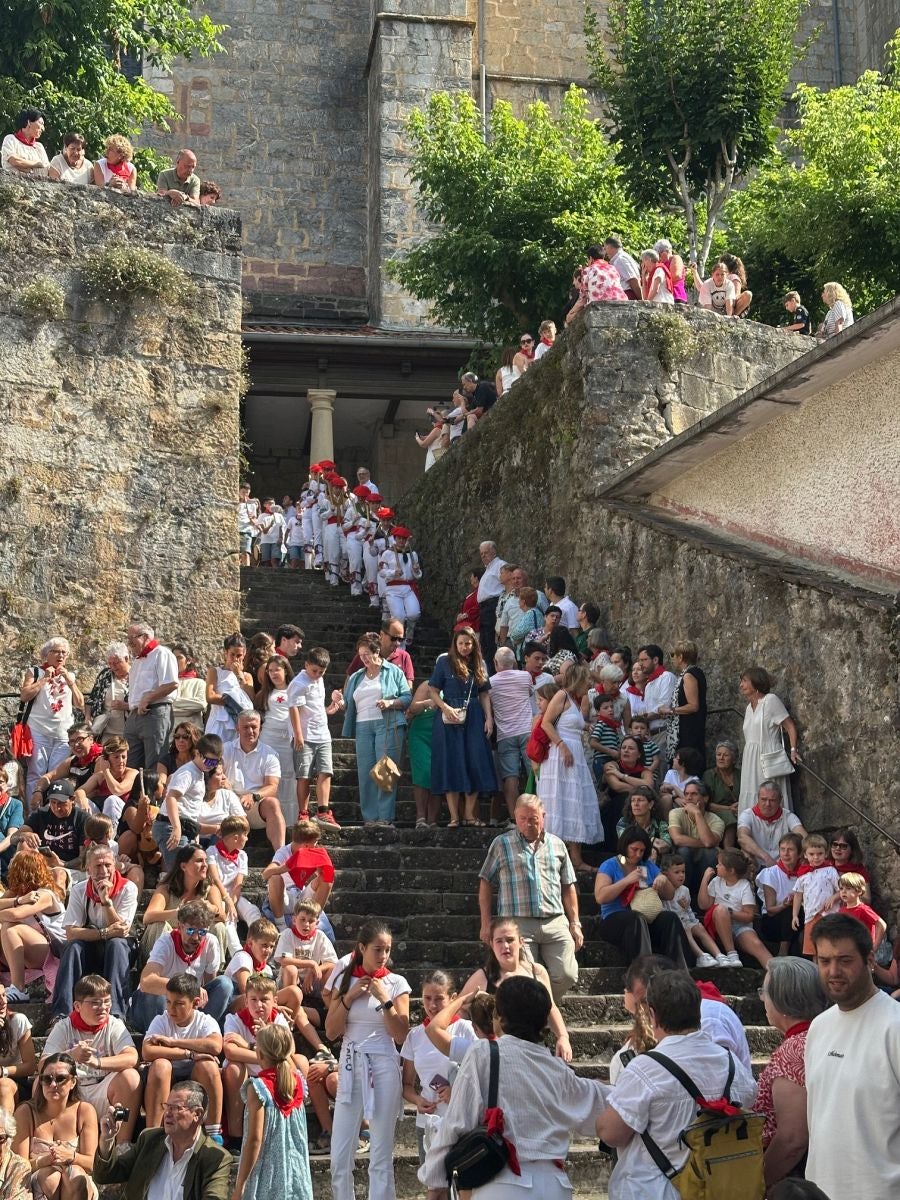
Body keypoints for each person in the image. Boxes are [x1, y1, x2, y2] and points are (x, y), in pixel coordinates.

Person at [422, 977, 609, 1200]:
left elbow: (457, 1122)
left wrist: (435, 1180)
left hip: (501, 1182)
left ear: (499, 1018)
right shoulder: (558, 1069)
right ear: (543, 1022)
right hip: (553, 1185)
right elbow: (604, 1104)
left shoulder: (483, 1053)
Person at [597, 971, 757, 1200]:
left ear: (653, 1015)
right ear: (698, 1011)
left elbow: (611, 1134)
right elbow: (750, 1097)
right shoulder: (732, 1064)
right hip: (716, 1189)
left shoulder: (645, 1068)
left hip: (655, 1190)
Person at [805, 914, 900, 1199]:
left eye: (845, 960)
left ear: (869, 960)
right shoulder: (818, 1027)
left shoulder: (894, 1026)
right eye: (824, 961)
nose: (833, 971)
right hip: (821, 1191)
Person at [324, 921, 411, 1200]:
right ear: (362, 948)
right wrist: (349, 997)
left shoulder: (397, 983)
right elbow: (331, 1031)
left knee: (381, 1155)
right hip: (350, 1065)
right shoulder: (344, 980)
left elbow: (400, 1035)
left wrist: (385, 999)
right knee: (339, 1157)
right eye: (377, 949)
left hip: (383, 1065)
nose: (383, 955)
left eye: (387, 950)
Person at [478, 796, 582, 1003]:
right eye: (522, 818)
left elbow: (568, 886)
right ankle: (540, 1014)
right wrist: (485, 922)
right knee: (525, 977)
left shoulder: (557, 844)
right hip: (517, 923)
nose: (528, 823)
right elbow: (485, 882)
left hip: (555, 920)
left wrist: (575, 923)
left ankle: (541, 1009)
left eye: (533, 818)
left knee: (568, 974)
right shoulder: (501, 844)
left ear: (543, 817)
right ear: (515, 818)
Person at [608, 956, 751, 1083]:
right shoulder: (658, 1025)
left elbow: (714, 1078)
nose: (643, 1008)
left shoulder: (707, 1018)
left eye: (644, 1001)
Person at [41, 975, 141, 1146]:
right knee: (40, 1083)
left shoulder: (114, 1024)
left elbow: (132, 1057)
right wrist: (71, 1056)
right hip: (73, 1091)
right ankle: (54, 1140)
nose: (103, 1008)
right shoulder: (64, 1026)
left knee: (131, 1077)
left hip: (104, 1088)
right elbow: (42, 1064)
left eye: (107, 1002)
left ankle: (122, 1145)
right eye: (95, 1002)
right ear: (77, 1006)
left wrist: (97, 1062)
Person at [755, 956, 828, 1190]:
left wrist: (757, 1184)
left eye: (764, 991)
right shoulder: (826, 1036)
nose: (763, 999)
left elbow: (792, 1139)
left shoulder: (794, 1050)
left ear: (783, 999)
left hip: (794, 1180)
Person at [93, 1079, 231, 1200]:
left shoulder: (215, 1158)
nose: (167, 1114)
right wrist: (107, 1138)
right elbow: (105, 1175)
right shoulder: (149, 1139)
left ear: (197, 1114)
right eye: (167, 1106)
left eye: (176, 1108)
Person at [460, 918, 572, 1060]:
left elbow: (551, 1008)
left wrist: (563, 1037)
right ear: (491, 944)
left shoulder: (536, 971)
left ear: (521, 942)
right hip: (497, 1053)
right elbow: (459, 1009)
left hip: (533, 1048)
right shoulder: (482, 977)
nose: (505, 946)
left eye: (510, 940)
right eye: (499, 941)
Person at [49, 846, 138, 1022]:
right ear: (87, 869)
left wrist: (106, 903)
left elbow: (121, 931)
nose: (103, 871)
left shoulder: (128, 888)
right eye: (98, 866)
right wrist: (104, 933)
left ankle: (117, 1013)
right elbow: (71, 933)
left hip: (121, 950)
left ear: (115, 866)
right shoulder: (79, 890)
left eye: (108, 865)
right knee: (73, 947)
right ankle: (62, 1014)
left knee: (117, 944)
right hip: (92, 948)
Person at [231, 1022, 313, 1200]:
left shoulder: (258, 1088)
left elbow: (254, 1139)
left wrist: (240, 1184)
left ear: (259, 1054)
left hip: (267, 1179)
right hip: (296, 1177)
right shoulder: (297, 1081)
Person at [142, 973, 224, 1141]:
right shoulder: (161, 1020)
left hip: (194, 1078)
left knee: (208, 1066)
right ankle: (153, 1136)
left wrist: (173, 1042)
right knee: (160, 1066)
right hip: (167, 1079)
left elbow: (215, 1046)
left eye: (179, 1004)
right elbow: (147, 1051)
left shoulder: (205, 1021)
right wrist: (190, 1054)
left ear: (195, 1003)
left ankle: (214, 1135)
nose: (171, 1009)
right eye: (168, 1002)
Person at [131, 900, 234, 1033]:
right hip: (154, 1007)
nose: (196, 937)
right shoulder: (166, 942)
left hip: (186, 1007)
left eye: (202, 932)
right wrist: (190, 989)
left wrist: (196, 993)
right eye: (190, 930)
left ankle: (202, 1033)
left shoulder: (210, 943)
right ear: (179, 927)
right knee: (156, 994)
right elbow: (146, 982)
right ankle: (158, 1039)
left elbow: (209, 985)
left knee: (225, 984)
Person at [428, 629, 497, 827]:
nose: (464, 647)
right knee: (450, 764)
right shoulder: (444, 662)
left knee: (475, 761)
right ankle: (453, 816)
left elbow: (484, 694)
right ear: (455, 644)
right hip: (449, 717)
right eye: (460, 643)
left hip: (474, 716)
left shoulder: (479, 664)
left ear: (473, 645)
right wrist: (445, 706)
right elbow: (433, 691)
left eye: (468, 643)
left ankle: (469, 815)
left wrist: (489, 719)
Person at [342, 633, 411, 827]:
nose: (363, 658)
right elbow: (348, 704)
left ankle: (384, 817)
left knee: (385, 771)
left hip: (387, 723)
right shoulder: (356, 677)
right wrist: (339, 702)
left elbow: (407, 698)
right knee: (365, 773)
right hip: (362, 726)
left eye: (367, 654)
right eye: (360, 655)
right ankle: (370, 818)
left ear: (377, 651)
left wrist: (390, 702)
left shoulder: (393, 671)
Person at [595, 826, 688, 968]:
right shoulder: (610, 865)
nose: (638, 854)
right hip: (615, 921)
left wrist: (663, 880)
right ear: (625, 847)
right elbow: (601, 897)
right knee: (636, 919)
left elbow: (669, 895)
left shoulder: (646, 865)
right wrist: (626, 881)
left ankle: (679, 972)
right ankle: (645, 973)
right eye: (634, 849)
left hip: (645, 919)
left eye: (642, 851)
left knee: (670, 918)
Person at [538, 662, 599, 872]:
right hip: (561, 754)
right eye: (586, 681)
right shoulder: (562, 696)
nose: (589, 685)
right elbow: (546, 723)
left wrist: (587, 725)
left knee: (575, 803)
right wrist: (562, 746)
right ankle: (555, 855)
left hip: (574, 754)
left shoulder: (574, 700)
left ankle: (575, 858)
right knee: (561, 801)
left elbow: (572, 723)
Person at [12, 1051, 98, 1200]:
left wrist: (70, 1156)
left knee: (75, 1175)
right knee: (50, 1178)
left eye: (60, 1079)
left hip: (78, 1187)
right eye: (46, 1079)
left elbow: (91, 1164)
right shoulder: (25, 1112)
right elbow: (17, 1165)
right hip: (39, 1183)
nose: (53, 1084)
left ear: (73, 1082)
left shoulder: (84, 1111)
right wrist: (44, 1161)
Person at [20, 637, 85, 799]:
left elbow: (80, 704)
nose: (61, 655)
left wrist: (71, 683)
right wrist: (44, 680)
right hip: (38, 731)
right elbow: (24, 695)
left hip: (63, 734)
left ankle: (52, 812)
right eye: (56, 651)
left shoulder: (70, 675)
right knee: (36, 774)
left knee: (57, 776)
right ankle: (34, 817)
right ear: (46, 654)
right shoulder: (35, 671)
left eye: (64, 652)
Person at [140, 844, 228, 962]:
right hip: (169, 946)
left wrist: (212, 909)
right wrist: (178, 913)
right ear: (183, 866)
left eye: (205, 861)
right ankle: (155, 966)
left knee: (219, 927)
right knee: (158, 925)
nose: (205, 865)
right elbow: (148, 917)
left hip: (196, 944)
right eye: (199, 861)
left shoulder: (210, 889)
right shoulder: (166, 889)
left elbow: (223, 917)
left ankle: (213, 969)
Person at [0, 851, 67, 1002]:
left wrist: (15, 904)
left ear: (22, 870)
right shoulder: (17, 894)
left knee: (11, 928)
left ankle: (19, 989)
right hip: (29, 952)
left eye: (13, 864)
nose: (9, 866)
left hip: (53, 953)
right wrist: (17, 900)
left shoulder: (45, 894)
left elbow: (16, 915)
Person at [737, 666, 801, 813]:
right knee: (752, 792)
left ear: (756, 682)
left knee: (770, 794)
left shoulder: (770, 700)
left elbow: (789, 726)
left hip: (767, 755)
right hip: (751, 758)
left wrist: (793, 750)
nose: (741, 685)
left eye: (745, 681)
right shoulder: (748, 708)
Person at [222, 712, 285, 852]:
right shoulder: (225, 749)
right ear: (237, 728)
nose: (250, 731)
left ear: (260, 728)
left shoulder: (270, 754)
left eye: (254, 727)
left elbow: (273, 786)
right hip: (230, 802)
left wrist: (254, 796)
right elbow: (215, 773)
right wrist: (222, 780)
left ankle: (280, 855)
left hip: (256, 805)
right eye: (245, 727)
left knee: (273, 803)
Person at [698, 849, 772, 969]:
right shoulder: (716, 881)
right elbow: (703, 905)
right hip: (718, 925)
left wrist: (730, 912)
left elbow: (749, 916)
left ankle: (777, 973)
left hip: (740, 926)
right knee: (721, 909)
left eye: (720, 864)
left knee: (757, 944)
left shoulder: (744, 885)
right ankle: (732, 954)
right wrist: (705, 879)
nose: (716, 866)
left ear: (731, 870)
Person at [124, 624, 178, 770]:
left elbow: (172, 683)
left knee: (154, 762)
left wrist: (147, 698)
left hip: (155, 712)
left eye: (132, 638)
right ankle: (134, 792)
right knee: (130, 764)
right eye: (128, 639)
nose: (129, 643)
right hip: (135, 714)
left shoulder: (162, 654)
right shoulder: (138, 661)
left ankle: (154, 792)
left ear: (146, 637)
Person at [490, 648, 535, 820]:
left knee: (510, 777)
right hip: (526, 731)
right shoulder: (525, 676)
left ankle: (516, 818)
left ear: (495, 663)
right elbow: (529, 693)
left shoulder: (491, 682)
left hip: (505, 734)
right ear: (515, 662)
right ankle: (538, 814)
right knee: (535, 773)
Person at [659, 855, 721, 968]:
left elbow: (689, 913)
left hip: (687, 920)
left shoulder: (685, 890)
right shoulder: (663, 891)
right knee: (687, 930)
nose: (681, 875)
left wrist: (688, 911)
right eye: (676, 872)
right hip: (678, 924)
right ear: (665, 875)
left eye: (683, 871)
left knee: (700, 928)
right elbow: (665, 912)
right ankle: (700, 955)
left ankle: (719, 955)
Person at [667, 780, 725, 894]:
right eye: (686, 794)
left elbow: (709, 843)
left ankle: (705, 897)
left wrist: (697, 814)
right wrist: (706, 842)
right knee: (684, 851)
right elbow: (677, 839)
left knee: (710, 853)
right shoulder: (676, 813)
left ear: (705, 798)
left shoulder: (716, 820)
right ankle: (682, 894)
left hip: (705, 862)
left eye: (694, 794)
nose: (688, 798)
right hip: (683, 859)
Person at [658, 641, 706, 770]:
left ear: (680, 657)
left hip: (687, 732)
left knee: (685, 767)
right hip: (688, 729)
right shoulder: (692, 672)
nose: (672, 658)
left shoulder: (689, 675)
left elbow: (693, 706)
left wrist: (671, 710)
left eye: (673, 655)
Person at [737, 781, 807, 869]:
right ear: (757, 798)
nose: (767, 804)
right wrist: (765, 857)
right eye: (763, 799)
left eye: (772, 800)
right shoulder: (747, 815)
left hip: (784, 865)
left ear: (780, 800)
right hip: (757, 862)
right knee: (744, 853)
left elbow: (804, 836)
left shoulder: (788, 816)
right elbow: (742, 837)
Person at [790, 835, 840, 956]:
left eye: (819, 854)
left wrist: (833, 897)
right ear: (805, 855)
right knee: (813, 949)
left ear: (825, 854)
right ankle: (817, 973)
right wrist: (795, 915)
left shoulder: (831, 871)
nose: (816, 857)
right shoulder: (803, 875)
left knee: (829, 946)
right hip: (810, 916)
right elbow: (798, 895)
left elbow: (841, 890)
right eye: (812, 854)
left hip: (828, 914)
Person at [756, 832, 803, 955]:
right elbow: (770, 910)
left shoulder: (805, 874)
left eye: (790, 850)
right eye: (782, 849)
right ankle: (783, 951)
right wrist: (785, 904)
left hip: (797, 920)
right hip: (773, 923)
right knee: (790, 910)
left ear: (800, 854)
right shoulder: (770, 873)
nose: (785, 854)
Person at [204, 634, 254, 746]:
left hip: (238, 724)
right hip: (218, 722)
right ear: (226, 653)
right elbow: (210, 697)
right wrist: (233, 702)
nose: (236, 658)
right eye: (232, 654)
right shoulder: (215, 671)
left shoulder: (247, 676)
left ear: (244, 654)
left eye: (239, 655)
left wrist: (238, 674)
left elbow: (250, 698)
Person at [378, 526, 422, 645]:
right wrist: (393, 573)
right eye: (399, 538)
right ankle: (400, 643)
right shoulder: (387, 553)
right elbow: (381, 571)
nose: (401, 541)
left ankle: (410, 632)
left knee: (414, 613)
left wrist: (416, 570)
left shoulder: (412, 554)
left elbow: (417, 575)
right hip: (393, 589)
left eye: (404, 539)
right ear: (395, 538)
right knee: (399, 616)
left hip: (408, 587)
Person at [565, 243, 628, 325]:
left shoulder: (588, 270)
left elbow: (582, 299)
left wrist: (570, 313)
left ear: (590, 258)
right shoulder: (613, 268)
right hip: (621, 301)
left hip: (599, 305)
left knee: (571, 318)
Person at [406, 682, 439, 828]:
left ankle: (433, 820)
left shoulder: (454, 683)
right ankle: (421, 817)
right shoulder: (427, 685)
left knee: (438, 775)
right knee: (423, 773)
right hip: (421, 735)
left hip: (442, 735)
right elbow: (413, 708)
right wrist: (427, 703)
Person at [0, 984, 37, 1110]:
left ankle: (4, 1129)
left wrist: (3, 1071)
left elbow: (31, 1066)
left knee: (3, 1085)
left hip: (13, 1081)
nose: (3, 1001)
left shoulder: (18, 1020)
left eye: (4, 995)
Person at [83, 644, 130, 741]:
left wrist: (126, 706)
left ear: (126, 658)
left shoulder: (137, 675)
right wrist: (87, 717)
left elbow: (144, 702)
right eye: (110, 663)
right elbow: (91, 699)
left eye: (116, 663)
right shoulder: (105, 675)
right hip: (105, 732)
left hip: (129, 733)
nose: (113, 667)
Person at [635, 645, 676, 750]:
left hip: (664, 732)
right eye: (639, 660)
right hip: (651, 735)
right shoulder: (648, 684)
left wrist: (643, 718)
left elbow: (665, 707)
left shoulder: (667, 677)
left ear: (655, 660)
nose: (640, 664)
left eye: (644, 660)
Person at [701, 739, 740, 848]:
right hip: (716, 811)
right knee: (729, 816)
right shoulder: (709, 775)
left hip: (739, 810)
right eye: (719, 754)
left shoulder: (740, 774)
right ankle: (729, 852)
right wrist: (729, 809)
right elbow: (706, 803)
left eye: (726, 755)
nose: (721, 758)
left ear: (734, 759)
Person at [616, 787, 671, 862]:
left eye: (640, 800)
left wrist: (655, 849)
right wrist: (651, 846)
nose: (636, 804)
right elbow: (627, 843)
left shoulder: (660, 824)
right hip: (629, 860)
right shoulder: (624, 822)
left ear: (650, 804)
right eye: (633, 801)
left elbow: (667, 844)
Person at [476, 542, 507, 667]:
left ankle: (493, 671)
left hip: (492, 605)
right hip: (484, 608)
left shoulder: (500, 565)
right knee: (485, 642)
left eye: (486, 553)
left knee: (490, 641)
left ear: (494, 551)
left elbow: (506, 584)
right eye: (481, 554)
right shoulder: (488, 569)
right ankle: (488, 670)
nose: (483, 556)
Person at [836, 872, 885, 947]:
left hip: (862, 950)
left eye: (848, 888)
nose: (843, 891)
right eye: (841, 888)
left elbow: (881, 925)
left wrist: (875, 946)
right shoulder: (841, 910)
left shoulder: (863, 909)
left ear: (859, 891)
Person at [1, 108, 49, 178]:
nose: (43, 128)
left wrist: (25, 166)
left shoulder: (39, 147)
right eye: (41, 123)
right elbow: (14, 161)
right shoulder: (11, 139)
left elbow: (46, 168)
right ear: (29, 122)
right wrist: (37, 164)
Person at [603, 236, 642, 300]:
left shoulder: (621, 259)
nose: (605, 252)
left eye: (605, 248)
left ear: (610, 247)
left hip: (628, 296)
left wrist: (641, 300)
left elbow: (633, 280)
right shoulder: (620, 258)